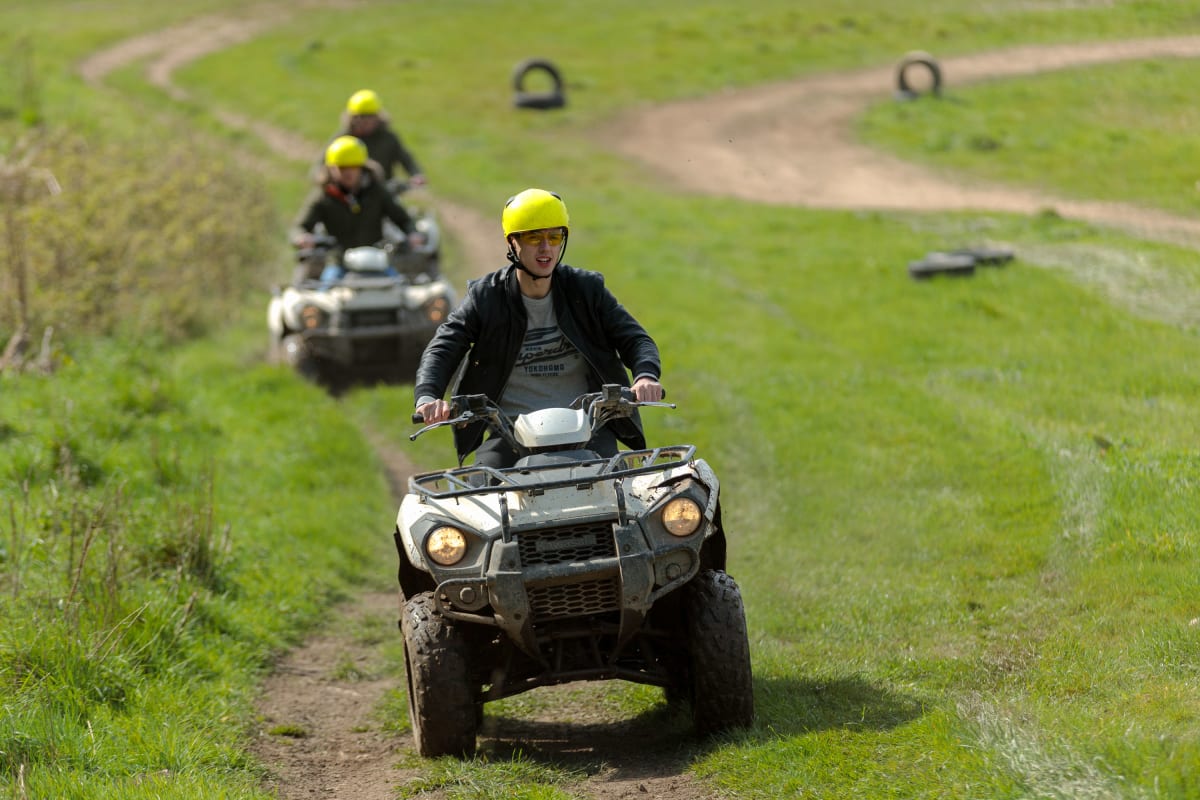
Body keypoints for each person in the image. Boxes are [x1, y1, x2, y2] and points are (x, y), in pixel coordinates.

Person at [414, 188, 664, 468]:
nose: (546, 248)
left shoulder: (587, 290)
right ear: (512, 243)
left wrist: (645, 376)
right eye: (534, 237)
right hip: (511, 434)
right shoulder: (485, 298)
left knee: (622, 490)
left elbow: (635, 338)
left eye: (554, 237)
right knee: (482, 493)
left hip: (587, 429)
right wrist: (428, 395)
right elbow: (443, 348)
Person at [292, 135, 425, 282]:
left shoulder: (377, 191)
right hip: (338, 263)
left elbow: (402, 219)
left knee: (401, 288)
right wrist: (302, 238)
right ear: (331, 169)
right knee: (325, 292)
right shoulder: (324, 197)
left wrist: (413, 234)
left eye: (353, 166)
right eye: (341, 168)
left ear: (362, 166)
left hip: (377, 262)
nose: (347, 172)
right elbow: (300, 227)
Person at [327, 89, 427, 189]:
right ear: (351, 118)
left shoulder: (388, 138)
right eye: (361, 117)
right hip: (351, 193)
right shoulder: (341, 140)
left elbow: (406, 159)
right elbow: (322, 169)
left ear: (378, 117)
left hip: (384, 189)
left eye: (370, 117)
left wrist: (416, 174)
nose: (366, 122)